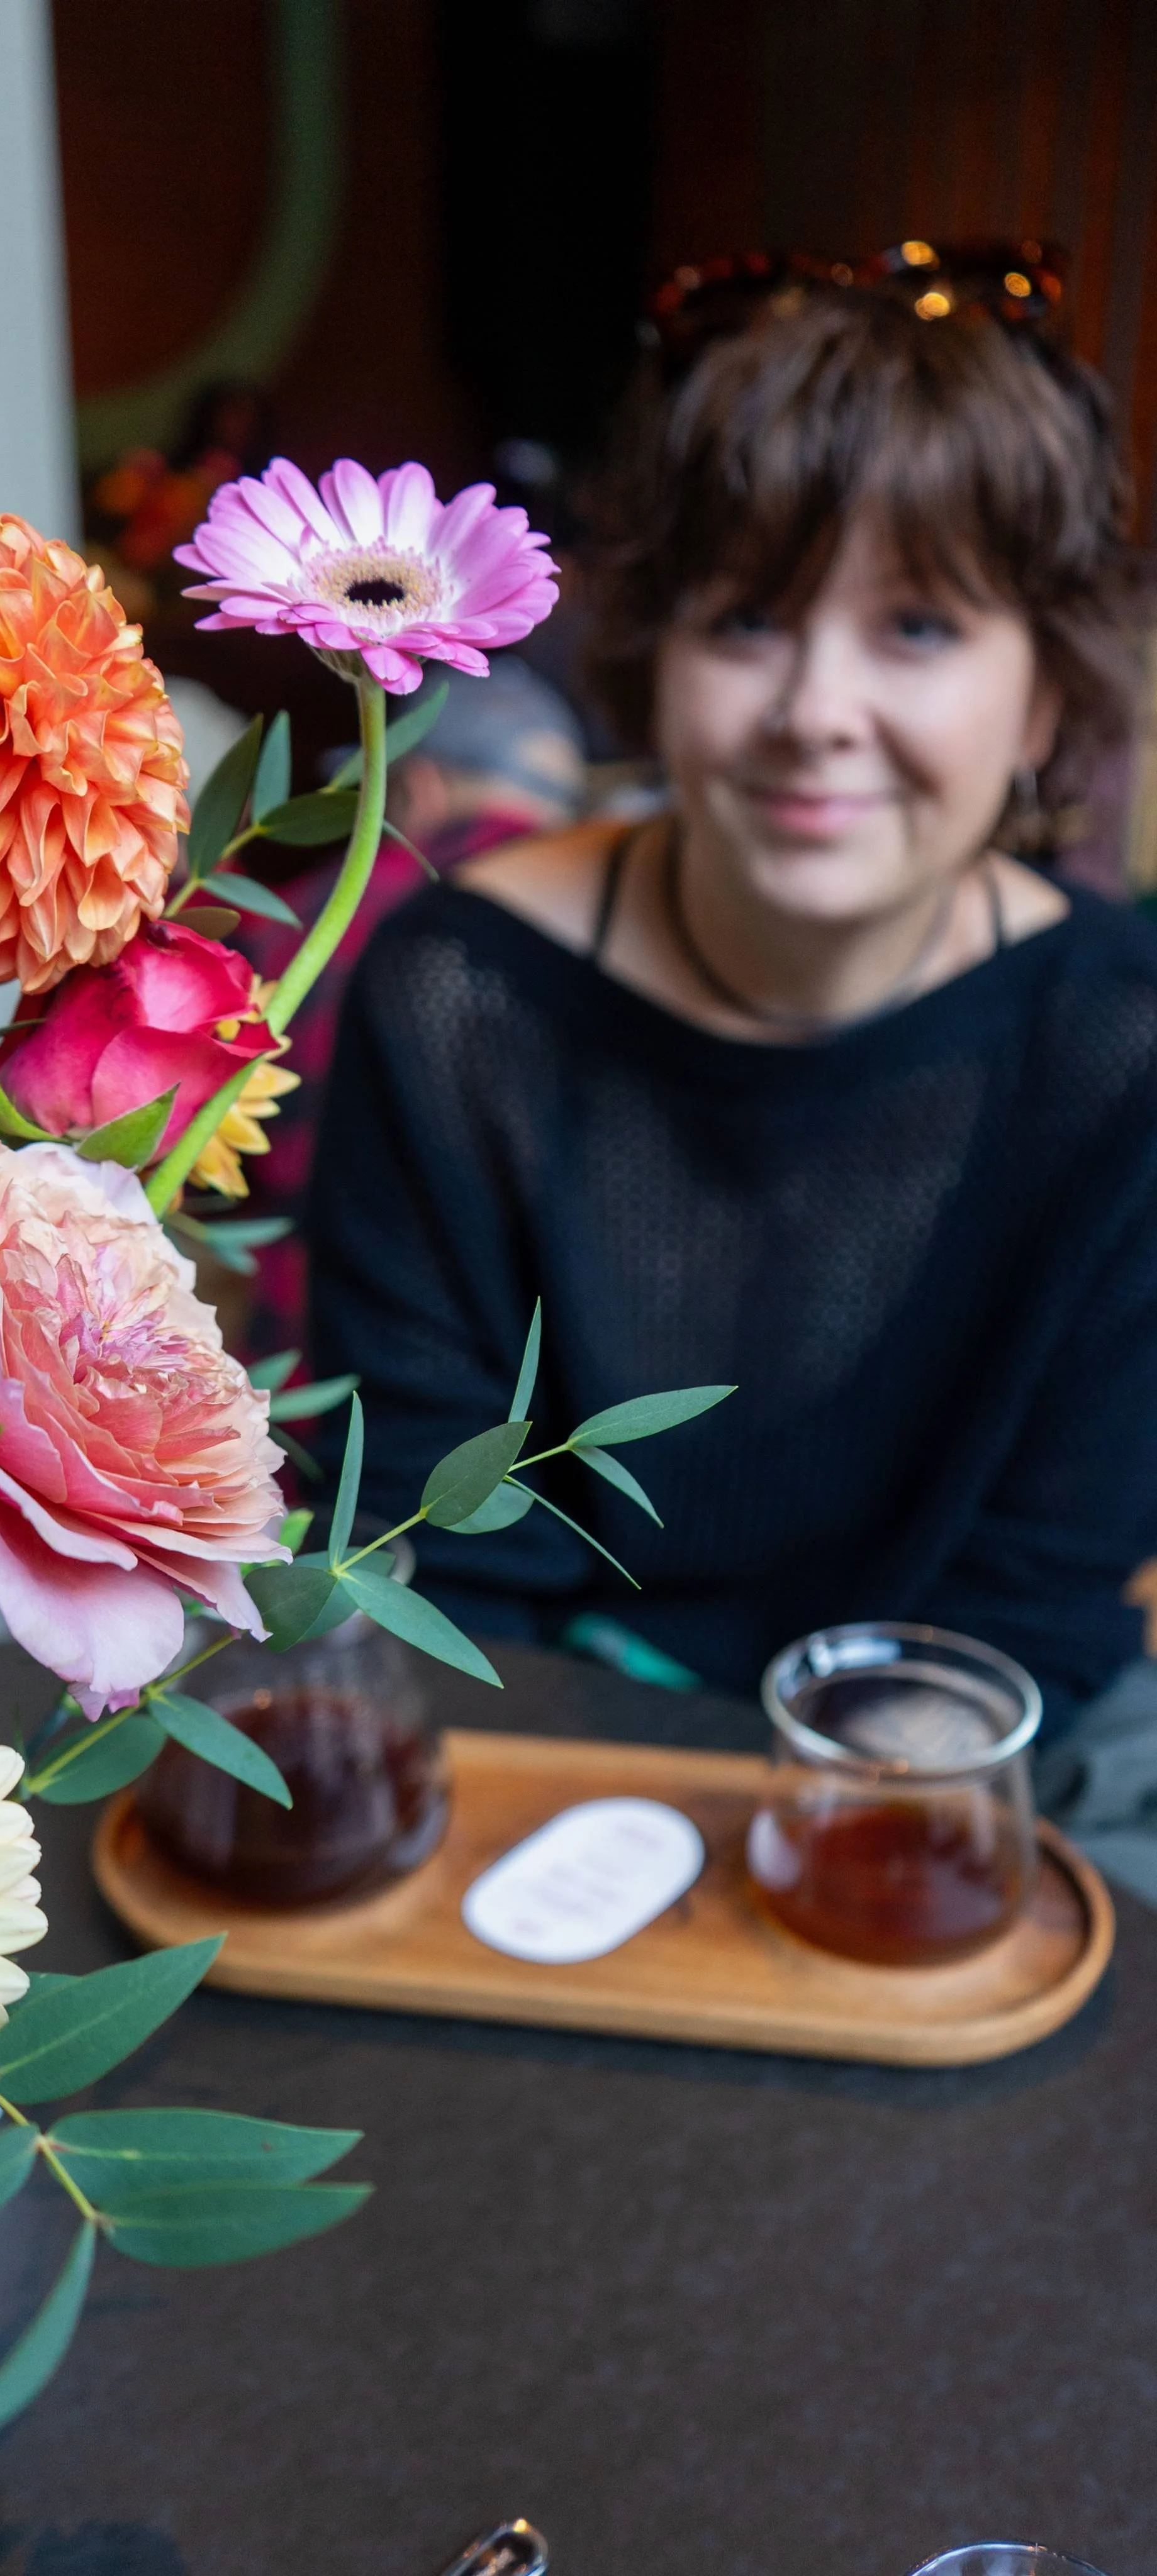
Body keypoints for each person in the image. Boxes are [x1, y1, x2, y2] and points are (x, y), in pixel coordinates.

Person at [306, 260, 1157, 1735]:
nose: (816, 711)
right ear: (655, 654)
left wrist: (837, 1869)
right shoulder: (457, 1000)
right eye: (749, 620)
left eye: (919, 627)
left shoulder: (1121, 1044)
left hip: (961, 1749)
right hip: (542, 1738)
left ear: (1040, 697)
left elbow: (1039, 1596)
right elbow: (427, 1563)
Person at [237, 658, 586, 1363]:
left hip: (319, 1367)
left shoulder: (312, 922)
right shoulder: (602, 935)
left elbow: (217, 1156)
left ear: (416, 789)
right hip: (542, 1398)